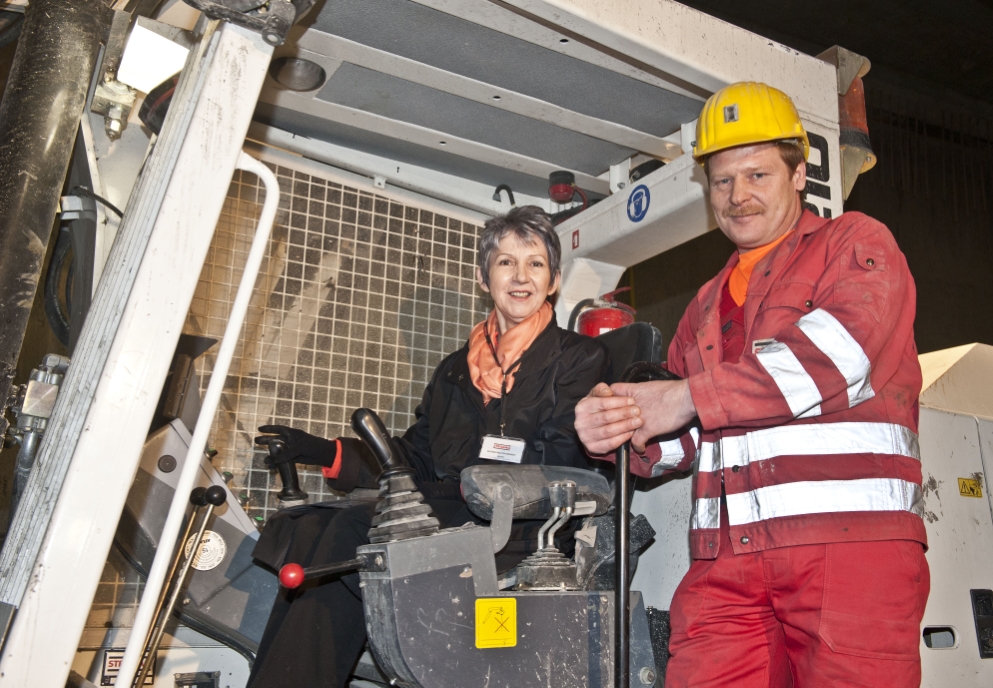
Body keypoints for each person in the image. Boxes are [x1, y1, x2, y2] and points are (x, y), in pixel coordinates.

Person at [575, 82, 928, 687]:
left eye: (758, 174)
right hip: (726, 564)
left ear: (798, 176)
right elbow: (691, 436)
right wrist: (627, 430)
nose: (738, 196)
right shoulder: (706, 305)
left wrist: (682, 397)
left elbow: (835, 359)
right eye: (721, 181)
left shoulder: (855, 245)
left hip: (847, 553)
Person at [247, 205, 609, 688]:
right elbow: (415, 458)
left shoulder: (578, 358)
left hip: (524, 528)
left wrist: (479, 481)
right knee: (316, 524)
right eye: (506, 263)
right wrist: (324, 452)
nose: (521, 277)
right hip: (452, 515)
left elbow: (564, 457)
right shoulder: (455, 370)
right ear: (485, 278)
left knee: (355, 529)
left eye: (535, 264)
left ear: (554, 280)